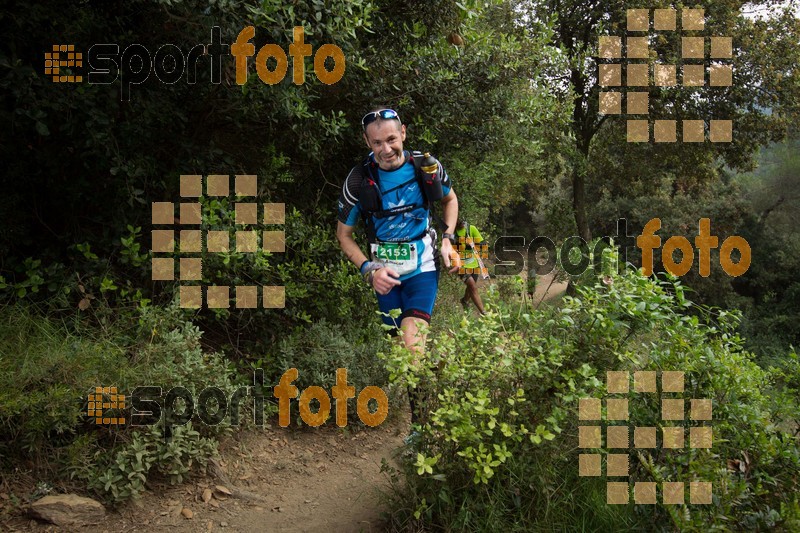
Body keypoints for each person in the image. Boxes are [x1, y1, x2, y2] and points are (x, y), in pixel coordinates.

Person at [336, 108, 459, 424]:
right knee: (402, 358)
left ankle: (422, 429)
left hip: (423, 267)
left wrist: (447, 238)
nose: (386, 149)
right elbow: (344, 236)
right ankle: (428, 393)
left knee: (412, 349)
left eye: (391, 139)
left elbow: (450, 200)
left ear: (403, 132)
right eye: (377, 142)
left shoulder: (425, 166)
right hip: (384, 276)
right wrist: (369, 270)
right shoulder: (358, 180)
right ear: (367, 141)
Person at [455, 219, 486, 315]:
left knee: (470, 288)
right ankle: (484, 313)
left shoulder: (471, 229)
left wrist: (473, 244)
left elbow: (483, 245)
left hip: (473, 263)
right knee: (472, 285)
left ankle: (464, 300)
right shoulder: (450, 232)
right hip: (460, 265)